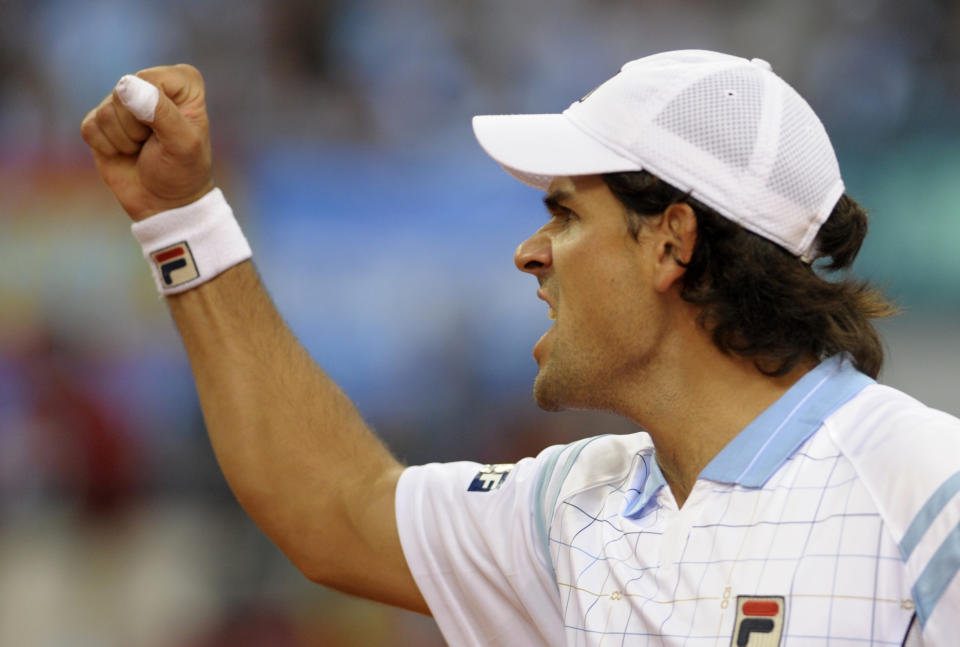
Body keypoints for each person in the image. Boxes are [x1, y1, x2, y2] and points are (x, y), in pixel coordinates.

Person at [80, 50, 959, 646]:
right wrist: (180, 217)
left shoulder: (927, 488)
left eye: (566, 213)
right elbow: (331, 507)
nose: (530, 252)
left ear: (671, 241)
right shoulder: (575, 505)